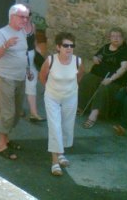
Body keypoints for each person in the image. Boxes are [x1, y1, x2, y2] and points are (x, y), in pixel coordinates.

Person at [39, 32, 84, 176]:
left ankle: (61, 153)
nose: (69, 48)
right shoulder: (51, 60)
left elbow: (79, 76)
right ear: (58, 47)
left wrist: (70, 89)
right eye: (65, 45)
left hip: (70, 97)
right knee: (55, 126)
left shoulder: (78, 61)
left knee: (66, 126)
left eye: (72, 45)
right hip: (52, 97)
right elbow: (42, 76)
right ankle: (54, 161)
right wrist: (50, 89)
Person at [0, 4, 30, 160]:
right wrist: (6, 45)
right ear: (12, 16)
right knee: (7, 112)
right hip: (5, 77)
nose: (25, 20)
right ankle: (1, 145)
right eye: (22, 16)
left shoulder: (22, 32)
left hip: (20, 77)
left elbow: (23, 53)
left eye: (27, 17)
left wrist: (28, 70)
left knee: (16, 112)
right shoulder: (2, 33)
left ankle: (6, 138)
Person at [79, 28, 127, 128]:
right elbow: (97, 56)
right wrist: (95, 58)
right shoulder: (106, 47)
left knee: (103, 88)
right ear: (110, 38)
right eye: (113, 36)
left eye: (118, 36)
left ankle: (93, 115)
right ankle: (82, 107)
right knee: (86, 79)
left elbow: (124, 68)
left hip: (115, 80)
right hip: (98, 75)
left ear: (123, 38)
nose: (116, 38)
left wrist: (110, 79)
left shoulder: (126, 51)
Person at [24, 9, 46, 122]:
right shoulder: (18, 28)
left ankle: (34, 113)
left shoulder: (32, 26)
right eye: (24, 15)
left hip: (31, 60)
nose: (27, 17)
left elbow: (34, 42)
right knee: (16, 86)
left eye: (29, 15)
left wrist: (39, 52)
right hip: (20, 62)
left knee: (31, 85)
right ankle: (16, 109)